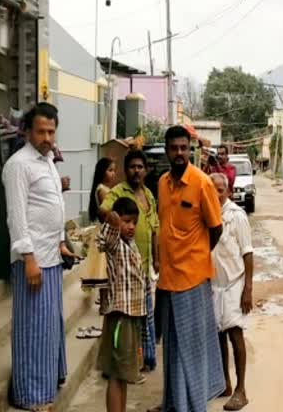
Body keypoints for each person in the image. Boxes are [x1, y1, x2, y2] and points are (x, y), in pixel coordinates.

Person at [3, 103, 75, 411]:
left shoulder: (47, 160)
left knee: (49, 328)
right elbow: (17, 216)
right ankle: (30, 396)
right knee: (32, 329)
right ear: (28, 132)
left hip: (51, 257)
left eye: (51, 131)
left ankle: (47, 384)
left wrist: (60, 243)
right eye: (41, 131)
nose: (47, 137)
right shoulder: (19, 165)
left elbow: (52, 205)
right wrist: (28, 256)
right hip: (32, 261)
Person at [151, 125, 224, 412]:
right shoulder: (162, 183)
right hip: (167, 280)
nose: (179, 153)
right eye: (174, 148)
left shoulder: (202, 182)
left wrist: (196, 256)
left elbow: (215, 228)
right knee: (171, 347)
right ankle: (174, 404)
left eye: (184, 148)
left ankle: (194, 406)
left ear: (190, 150)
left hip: (192, 280)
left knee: (191, 350)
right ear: (167, 150)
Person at [100, 150, 159, 373]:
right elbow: (104, 210)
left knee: (146, 316)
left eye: (140, 167)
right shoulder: (117, 192)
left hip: (144, 264)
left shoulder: (148, 194)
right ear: (127, 170)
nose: (136, 171)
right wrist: (116, 220)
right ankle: (129, 363)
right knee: (131, 319)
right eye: (133, 167)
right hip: (124, 267)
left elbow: (155, 227)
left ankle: (146, 359)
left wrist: (157, 258)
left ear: (145, 170)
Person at [98, 197, 147, 412]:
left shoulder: (131, 245)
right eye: (127, 221)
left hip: (132, 315)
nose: (131, 227)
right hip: (120, 315)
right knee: (117, 374)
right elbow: (104, 238)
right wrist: (113, 221)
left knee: (125, 374)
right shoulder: (115, 243)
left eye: (134, 222)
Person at [210, 173, 253, 411]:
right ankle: (224, 383)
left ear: (227, 191)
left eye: (219, 190)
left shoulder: (236, 216)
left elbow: (248, 252)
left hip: (234, 283)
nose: (215, 194)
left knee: (235, 334)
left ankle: (241, 389)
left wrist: (247, 289)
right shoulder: (207, 214)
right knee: (218, 336)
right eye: (212, 189)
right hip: (214, 285)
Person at [81, 157, 116, 293]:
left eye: (114, 170)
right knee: (104, 268)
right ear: (102, 172)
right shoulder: (102, 190)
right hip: (105, 231)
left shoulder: (107, 189)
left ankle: (105, 300)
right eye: (110, 170)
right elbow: (107, 212)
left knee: (106, 267)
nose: (113, 174)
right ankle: (103, 300)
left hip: (104, 230)